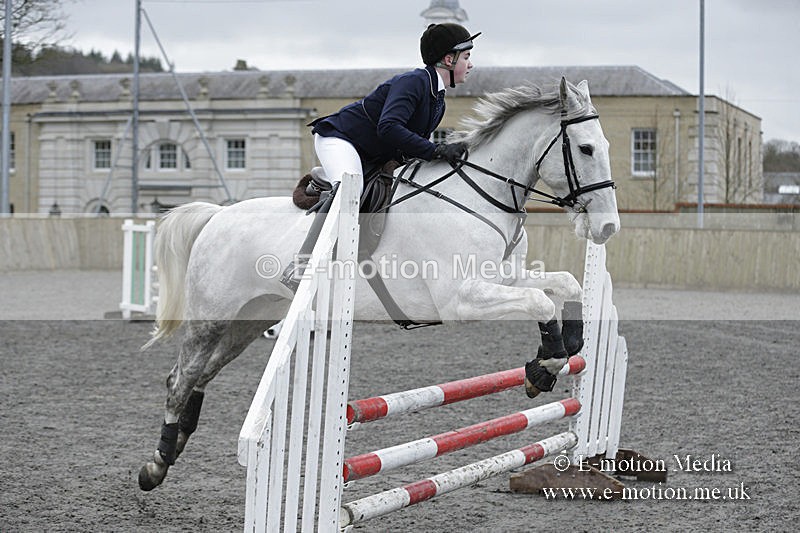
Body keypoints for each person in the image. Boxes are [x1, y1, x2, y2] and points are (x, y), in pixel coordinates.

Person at [280, 22, 480, 292]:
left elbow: (407, 145)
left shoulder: (438, 99)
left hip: (370, 153)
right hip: (341, 139)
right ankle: (301, 265)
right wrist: (435, 150)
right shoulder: (414, 82)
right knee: (350, 187)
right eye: (466, 57)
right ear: (448, 59)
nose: (470, 64)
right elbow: (389, 127)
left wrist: (441, 157)